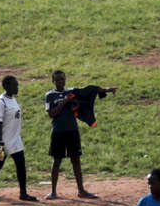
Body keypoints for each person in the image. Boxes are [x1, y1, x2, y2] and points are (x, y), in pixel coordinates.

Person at [43, 69, 114, 199]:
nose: (60, 81)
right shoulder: (50, 95)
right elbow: (51, 114)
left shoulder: (72, 91)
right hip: (58, 131)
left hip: (72, 130)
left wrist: (107, 90)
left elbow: (89, 90)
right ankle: (53, 191)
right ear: (53, 81)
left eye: (62, 79)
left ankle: (81, 190)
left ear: (65, 79)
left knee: (76, 160)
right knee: (56, 160)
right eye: (57, 79)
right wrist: (65, 101)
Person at [0, 75, 36, 202]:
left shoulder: (12, 99)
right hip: (1, 141)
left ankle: (23, 193)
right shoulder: (1, 102)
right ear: (6, 86)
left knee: (21, 164)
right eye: (14, 85)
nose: (17, 87)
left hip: (13, 139)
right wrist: (0, 144)